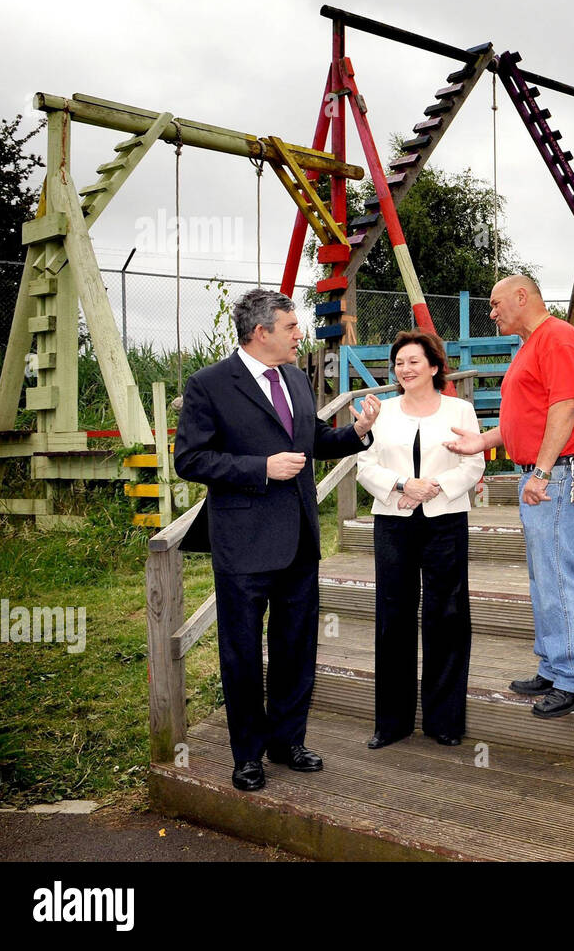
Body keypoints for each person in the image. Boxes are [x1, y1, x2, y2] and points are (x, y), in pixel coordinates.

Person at [174, 289, 379, 792]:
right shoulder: (209, 385)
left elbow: (310, 442)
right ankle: (247, 755)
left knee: (295, 648)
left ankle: (289, 741)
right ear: (261, 332)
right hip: (243, 544)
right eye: (291, 327)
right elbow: (190, 460)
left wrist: (357, 431)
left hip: (299, 541)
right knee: (242, 653)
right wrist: (259, 469)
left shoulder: (294, 377)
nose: (299, 335)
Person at [445, 274, 574, 719]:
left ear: (522, 296)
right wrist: (484, 441)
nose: (491, 312)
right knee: (543, 575)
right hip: (547, 471)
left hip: (558, 473)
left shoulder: (555, 338)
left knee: (555, 573)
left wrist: (541, 471)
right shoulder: (536, 343)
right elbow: (530, 416)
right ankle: (555, 665)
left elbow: (566, 407)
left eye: (496, 304)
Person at [355, 330, 483, 749]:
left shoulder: (460, 409)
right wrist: (401, 485)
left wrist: (434, 487)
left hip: (445, 519)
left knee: (447, 615)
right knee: (394, 616)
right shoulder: (382, 411)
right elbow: (364, 465)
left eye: (413, 361)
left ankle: (444, 721)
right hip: (394, 519)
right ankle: (391, 723)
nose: (404, 369)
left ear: (433, 366)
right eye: (399, 362)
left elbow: (472, 461)